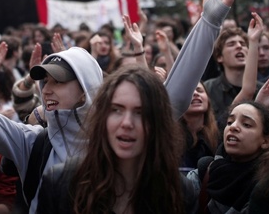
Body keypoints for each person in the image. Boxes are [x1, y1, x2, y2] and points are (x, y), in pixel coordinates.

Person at [0, 0, 238, 213]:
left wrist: (209, 22)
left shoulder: (122, 132)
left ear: (86, 88)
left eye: (58, 81)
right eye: (45, 81)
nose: (47, 90)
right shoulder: (34, 144)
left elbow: (175, 99)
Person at [38, 65, 197, 213]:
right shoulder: (61, 183)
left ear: (158, 123)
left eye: (140, 112)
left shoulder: (181, 193)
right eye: (117, 110)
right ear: (103, 118)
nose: (127, 123)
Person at [192, 100, 269, 213]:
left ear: (266, 141)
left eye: (246, 124)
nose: (233, 127)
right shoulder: (203, 173)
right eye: (229, 122)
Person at [179, 82, 219, 171]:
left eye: (199, 90)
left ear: (208, 99)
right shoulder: (170, 135)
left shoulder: (220, 133)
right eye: (189, 91)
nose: (195, 93)